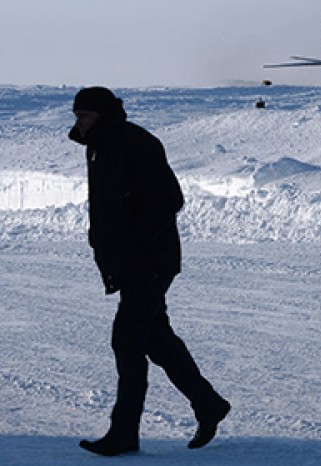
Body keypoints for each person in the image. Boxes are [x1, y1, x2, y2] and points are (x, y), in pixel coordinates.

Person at [69, 87, 230, 457]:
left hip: (149, 262)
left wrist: (133, 245)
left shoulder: (136, 143)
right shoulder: (100, 145)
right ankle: (208, 404)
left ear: (105, 115)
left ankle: (124, 432)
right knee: (156, 338)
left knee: (127, 341)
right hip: (128, 263)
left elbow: (169, 199)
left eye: (85, 116)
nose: (78, 123)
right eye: (76, 115)